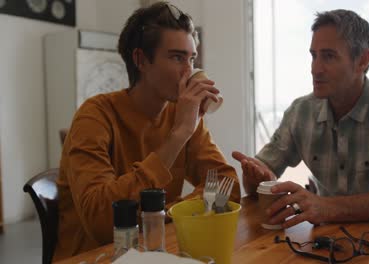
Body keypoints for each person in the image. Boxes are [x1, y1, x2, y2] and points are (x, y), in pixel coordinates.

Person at [233, 9, 369, 261]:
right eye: (313, 56)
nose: (315, 68)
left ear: (363, 61)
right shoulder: (301, 111)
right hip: (330, 248)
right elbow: (258, 181)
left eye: (328, 56)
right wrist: (257, 178)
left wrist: (326, 207)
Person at [54, 2, 240, 261]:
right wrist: (178, 136)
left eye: (192, 59)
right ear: (141, 60)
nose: (189, 72)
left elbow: (225, 184)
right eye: (177, 57)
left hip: (156, 251)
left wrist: (170, 212)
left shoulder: (181, 115)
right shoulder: (95, 115)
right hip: (97, 257)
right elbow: (101, 222)